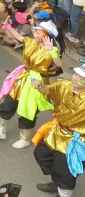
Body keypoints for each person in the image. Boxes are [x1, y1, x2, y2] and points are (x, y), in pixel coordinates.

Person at [0, 20, 64, 149]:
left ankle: (24, 139)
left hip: (36, 82)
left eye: (38, 33)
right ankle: (1, 131)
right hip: (22, 78)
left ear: (46, 36)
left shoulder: (53, 49)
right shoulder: (32, 42)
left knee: (28, 110)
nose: (35, 34)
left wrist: (52, 52)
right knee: (9, 103)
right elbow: (18, 37)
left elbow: (59, 64)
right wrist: (8, 27)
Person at [30, 66, 85, 197]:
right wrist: (39, 85)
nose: (76, 78)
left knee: (66, 172)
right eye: (75, 74)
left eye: (82, 78)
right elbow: (47, 89)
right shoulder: (64, 85)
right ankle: (56, 181)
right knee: (41, 154)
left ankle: (64, 193)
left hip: (77, 140)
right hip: (57, 131)